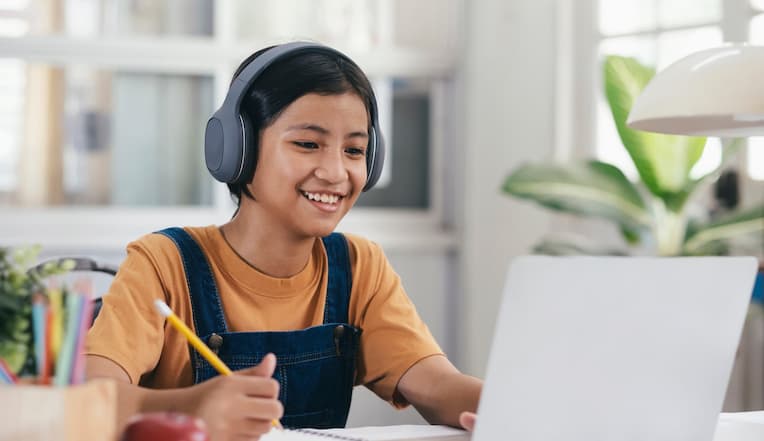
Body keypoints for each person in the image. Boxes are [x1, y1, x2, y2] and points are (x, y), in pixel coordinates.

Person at [85, 42, 482, 441]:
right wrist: (191, 406)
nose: (335, 171)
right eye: (308, 144)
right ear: (237, 148)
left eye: (355, 150)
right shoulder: (164, 263)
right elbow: (90, 398)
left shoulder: (359, 265)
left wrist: (507, 405)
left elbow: (436, 384)